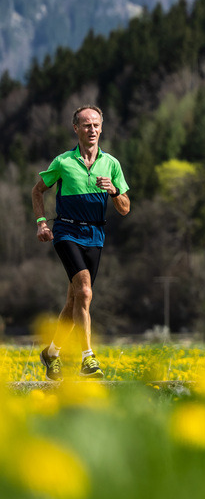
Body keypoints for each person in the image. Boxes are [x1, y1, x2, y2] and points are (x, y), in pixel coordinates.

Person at [33, 105, 130, 380]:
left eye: (96, 125)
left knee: (75, 299)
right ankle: (88, 359)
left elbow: (125, 208)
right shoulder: (63, 162)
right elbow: (37, 190)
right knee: (85, 292)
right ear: (76, 128)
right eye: (86, 125)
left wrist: (113, 190)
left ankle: (52, 351)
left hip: (95, 235)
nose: (92, 130)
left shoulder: (111, 164)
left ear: (102, 128)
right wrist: (41, 222)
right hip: (66, 232)